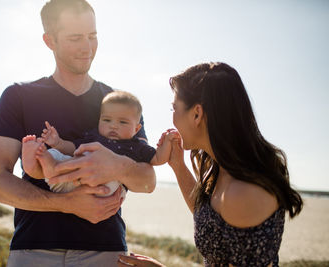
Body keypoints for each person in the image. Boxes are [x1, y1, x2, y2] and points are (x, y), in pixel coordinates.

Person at [0, 0, 156, 266]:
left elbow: (148, 182)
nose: (87, 47)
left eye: (93, 36)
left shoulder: (121, 107)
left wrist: (117, 166)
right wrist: (66, 203)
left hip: (106, 250)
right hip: (34, 249)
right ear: (49, 40)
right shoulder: (17, 96)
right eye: (76, 38)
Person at [118, 62, 303, 267]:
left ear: (197, 114)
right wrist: (178, 166)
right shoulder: (227, 169)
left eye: (174, 108)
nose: (172, 118)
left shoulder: (242, 193)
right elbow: (210, 220)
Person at [21, 90, 173, 197]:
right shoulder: (94, 137)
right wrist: (58, 142)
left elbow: (158, 159)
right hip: (69, 179)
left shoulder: (136, 146)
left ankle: (49, 166)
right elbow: (73, 148)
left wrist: (166, 143)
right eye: (107, 120)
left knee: (115, 186)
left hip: (103, 190)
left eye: (122, 122)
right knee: (57, 155)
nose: (113, 126)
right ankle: (42, 162)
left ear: (137, 129)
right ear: (99, 119)